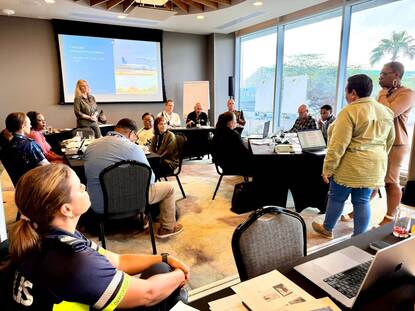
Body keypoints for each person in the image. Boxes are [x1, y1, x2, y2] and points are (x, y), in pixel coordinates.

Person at [7, 164, 189, 310]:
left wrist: (164, 257)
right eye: (79, 187)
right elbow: (148, 294)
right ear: (66, 209)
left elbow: (118, 261)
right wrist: (180, 274)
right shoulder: (75, 261)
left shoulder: (44, 232)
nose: (84, 187)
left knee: (160, 266)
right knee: (167, 286)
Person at [312, 74, 395, 238]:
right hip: (375, 165)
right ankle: (359, 238)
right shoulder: (385, 111)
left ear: (353, 93)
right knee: (362, 201)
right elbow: (390, 140)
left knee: (336, 197)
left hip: (351, 165)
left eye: (346, 90)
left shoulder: (349, 111)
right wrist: (377, 157)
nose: (345, 94)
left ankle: (327, 229)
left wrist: (328, 168)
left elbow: (338, 144)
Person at [341, 62, 415, 225]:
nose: (380, 77)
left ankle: (389, 218)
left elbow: (390, 112)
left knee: (390, 181)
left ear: (396, 75)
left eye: (384, 74)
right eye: (380, 74)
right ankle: (359, 210)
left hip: (396, 143)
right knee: (373, 179)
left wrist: (383, 94)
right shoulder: (383, 93)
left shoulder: (408, 93)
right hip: (379, 141)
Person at [85, 118, 183, 239]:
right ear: (131, 133)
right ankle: (167, 228)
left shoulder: (91, 146)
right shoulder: (133, 148)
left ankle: (140, 218)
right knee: (169, 188)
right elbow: (150, 181)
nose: (135, 139)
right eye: (135, 136)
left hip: (98, 204)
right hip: (129, 203)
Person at [0, 112, 49, 185]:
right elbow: (47, 167)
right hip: (35, 186)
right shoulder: (30, 144)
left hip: (18, 187)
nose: (31, 125)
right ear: (23, 126)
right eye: (29, 123)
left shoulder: (5, 146)